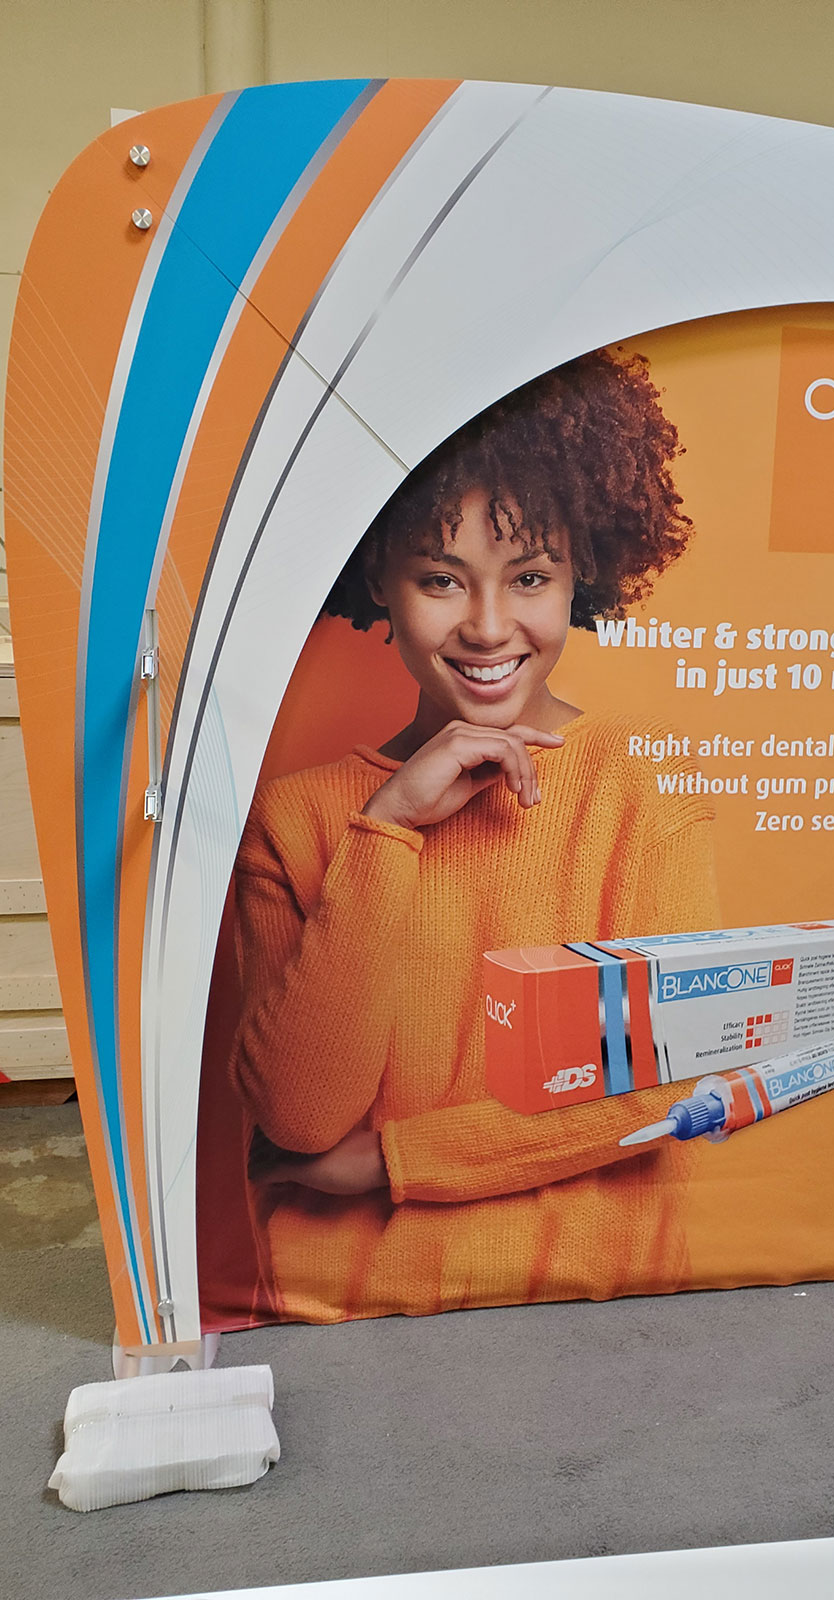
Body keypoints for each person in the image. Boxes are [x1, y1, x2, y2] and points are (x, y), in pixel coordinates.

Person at [229, 347, 721, 1323]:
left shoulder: (639, 791)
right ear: (379, 574)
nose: (490, 627)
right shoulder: (296, 819)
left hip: (600, 1310)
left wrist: (398, 1160)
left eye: (529, 575)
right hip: (349, 1316)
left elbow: (669, 1089)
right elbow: (300, 1117)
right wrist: (388, 827)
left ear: (583, 571)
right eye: (441, 579)